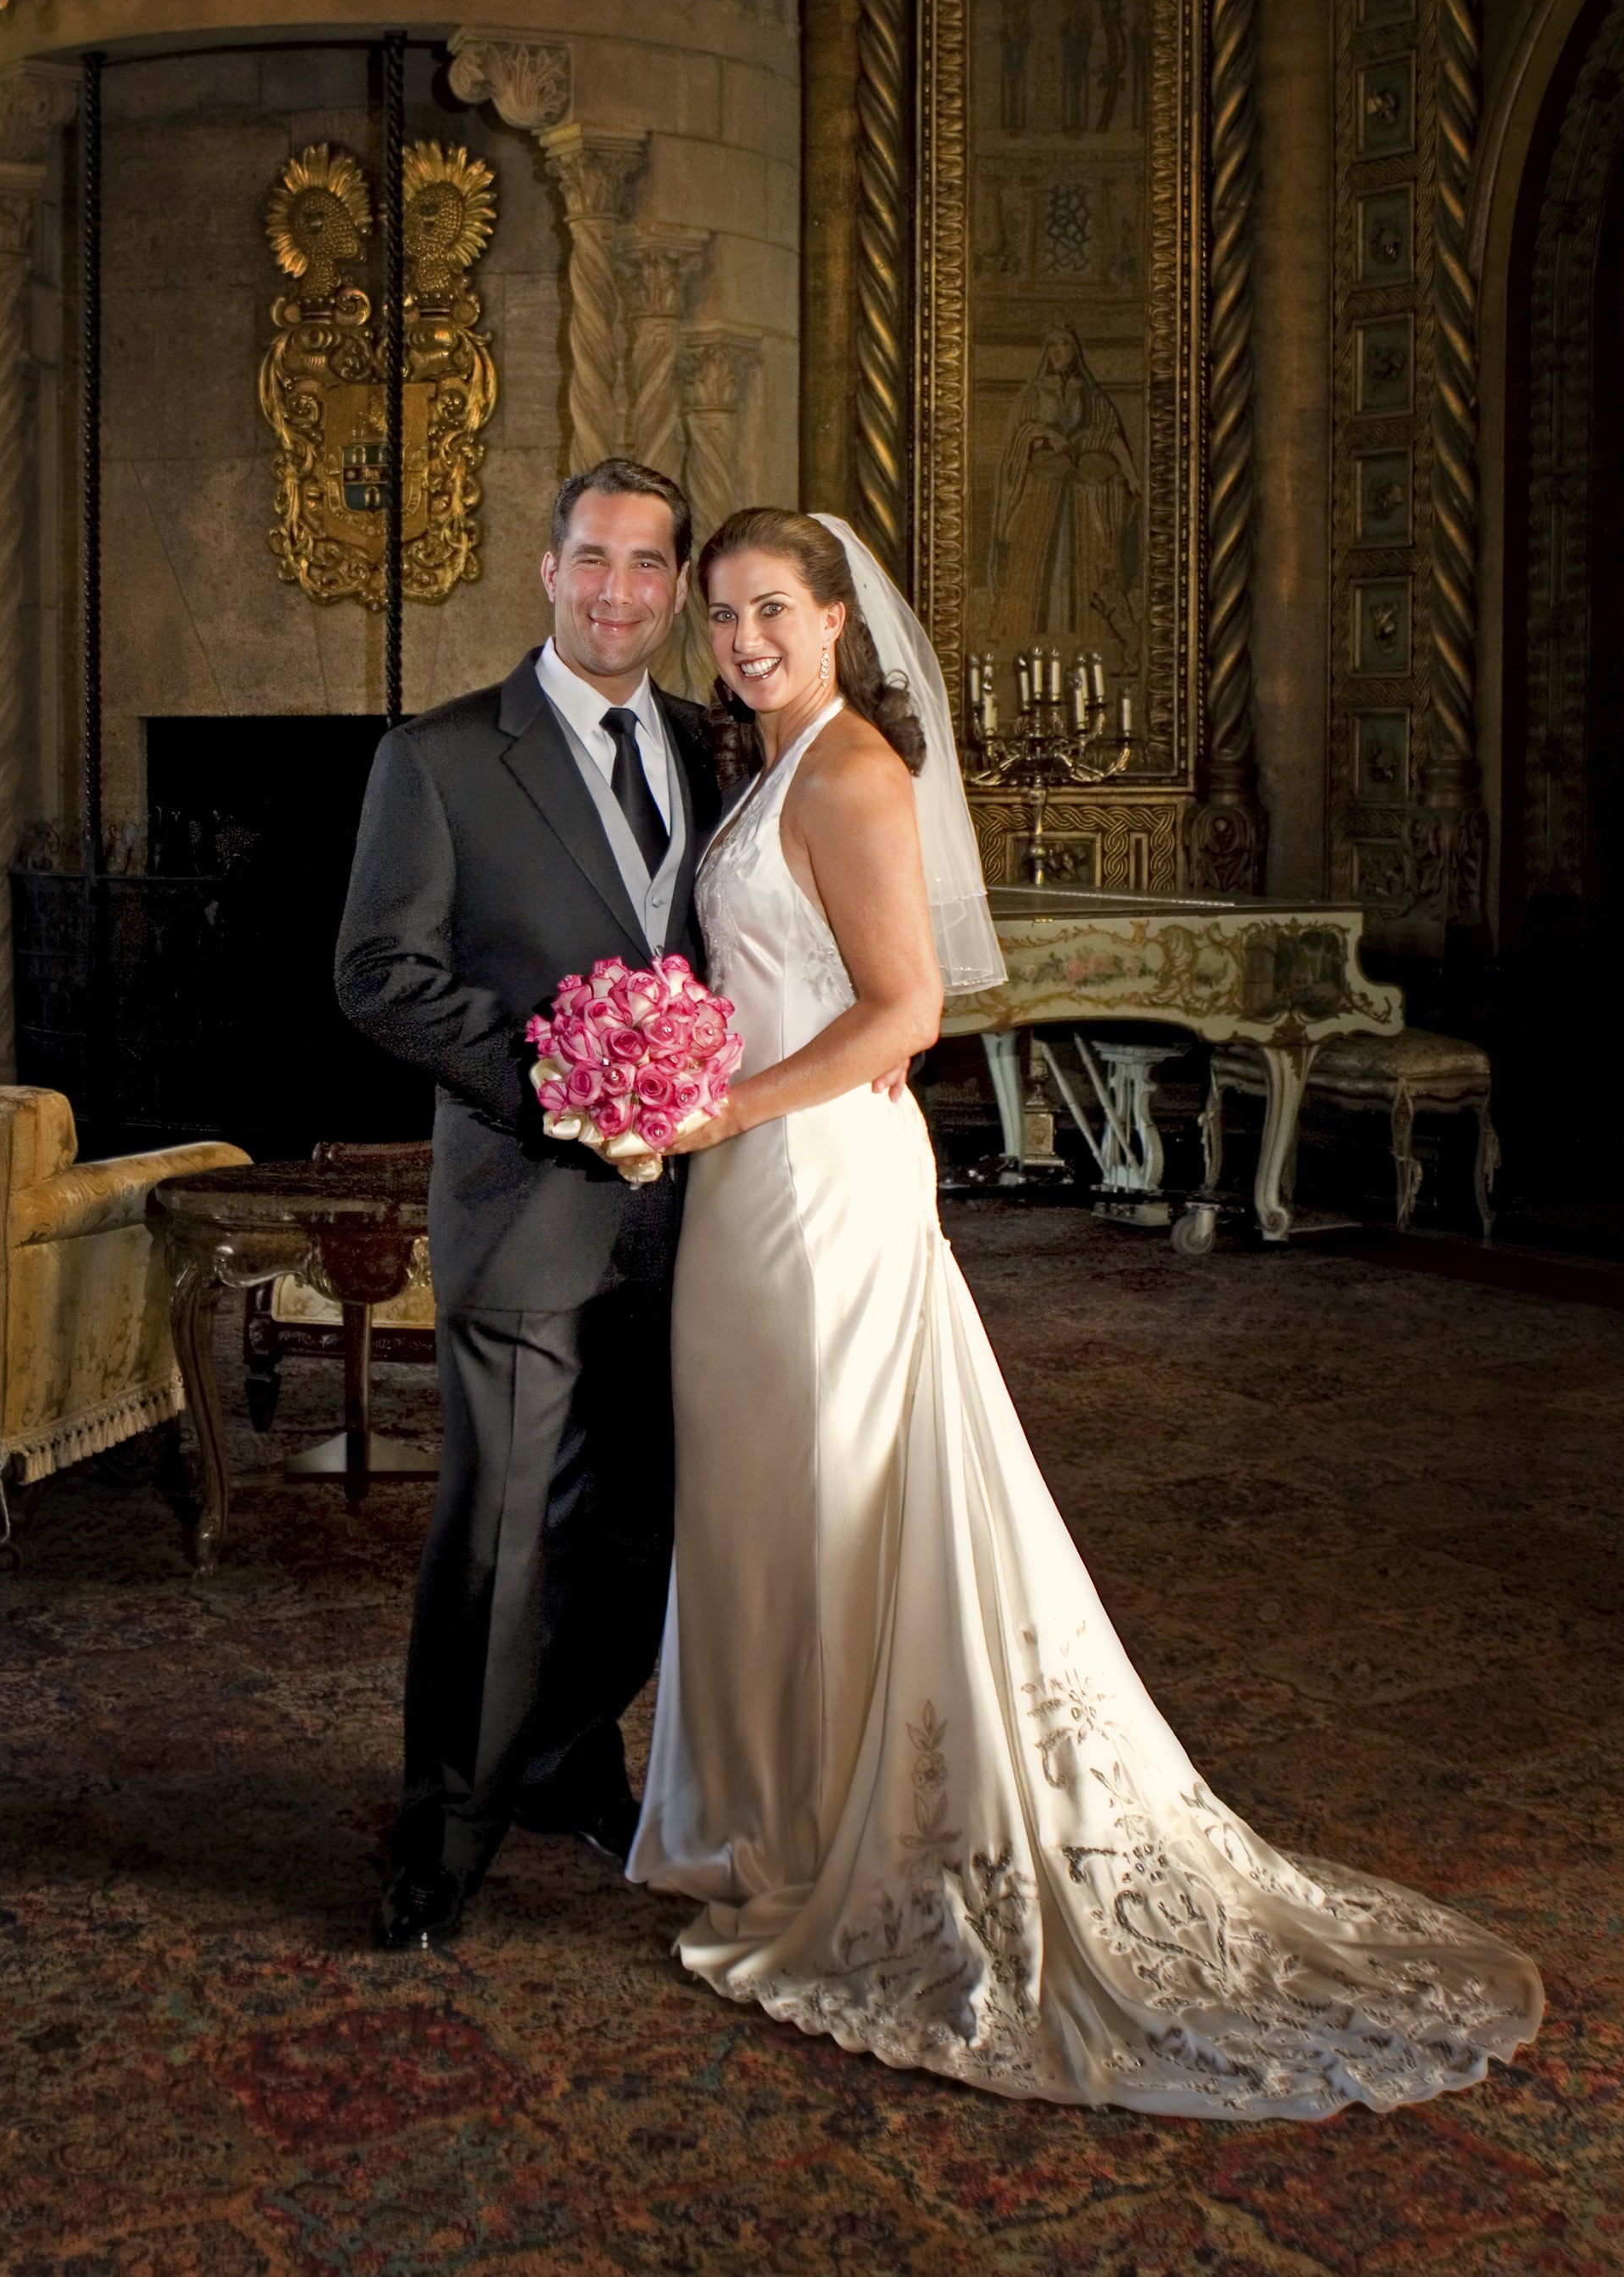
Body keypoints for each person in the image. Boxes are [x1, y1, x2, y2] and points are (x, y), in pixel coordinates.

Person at [629, 507, 1543, 2119]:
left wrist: (712, 1109)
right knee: (760, 1496)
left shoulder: (843, 768)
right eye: (720, 615)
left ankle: (851, 1839)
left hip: (810, 1185)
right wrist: (659, 1061)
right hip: (746, 1181)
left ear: (839, 618)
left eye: (771, 608)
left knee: (836, 1492)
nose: (742, 638)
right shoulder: (766, 767)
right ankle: (765, 1824)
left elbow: (904, 1008)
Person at [336, 459, 724, 1952]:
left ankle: (566, 1754)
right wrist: (567, 1080)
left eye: (647, 564)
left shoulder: (711, 747)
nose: (617, 590)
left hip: (691, 1222)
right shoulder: (435, 758)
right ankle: (439, 1831)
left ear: (673, 586)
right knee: (497, 1530)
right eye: (592, 559)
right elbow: (376, 973)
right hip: (524, 1199)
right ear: (544, 568)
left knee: (640, 1528)